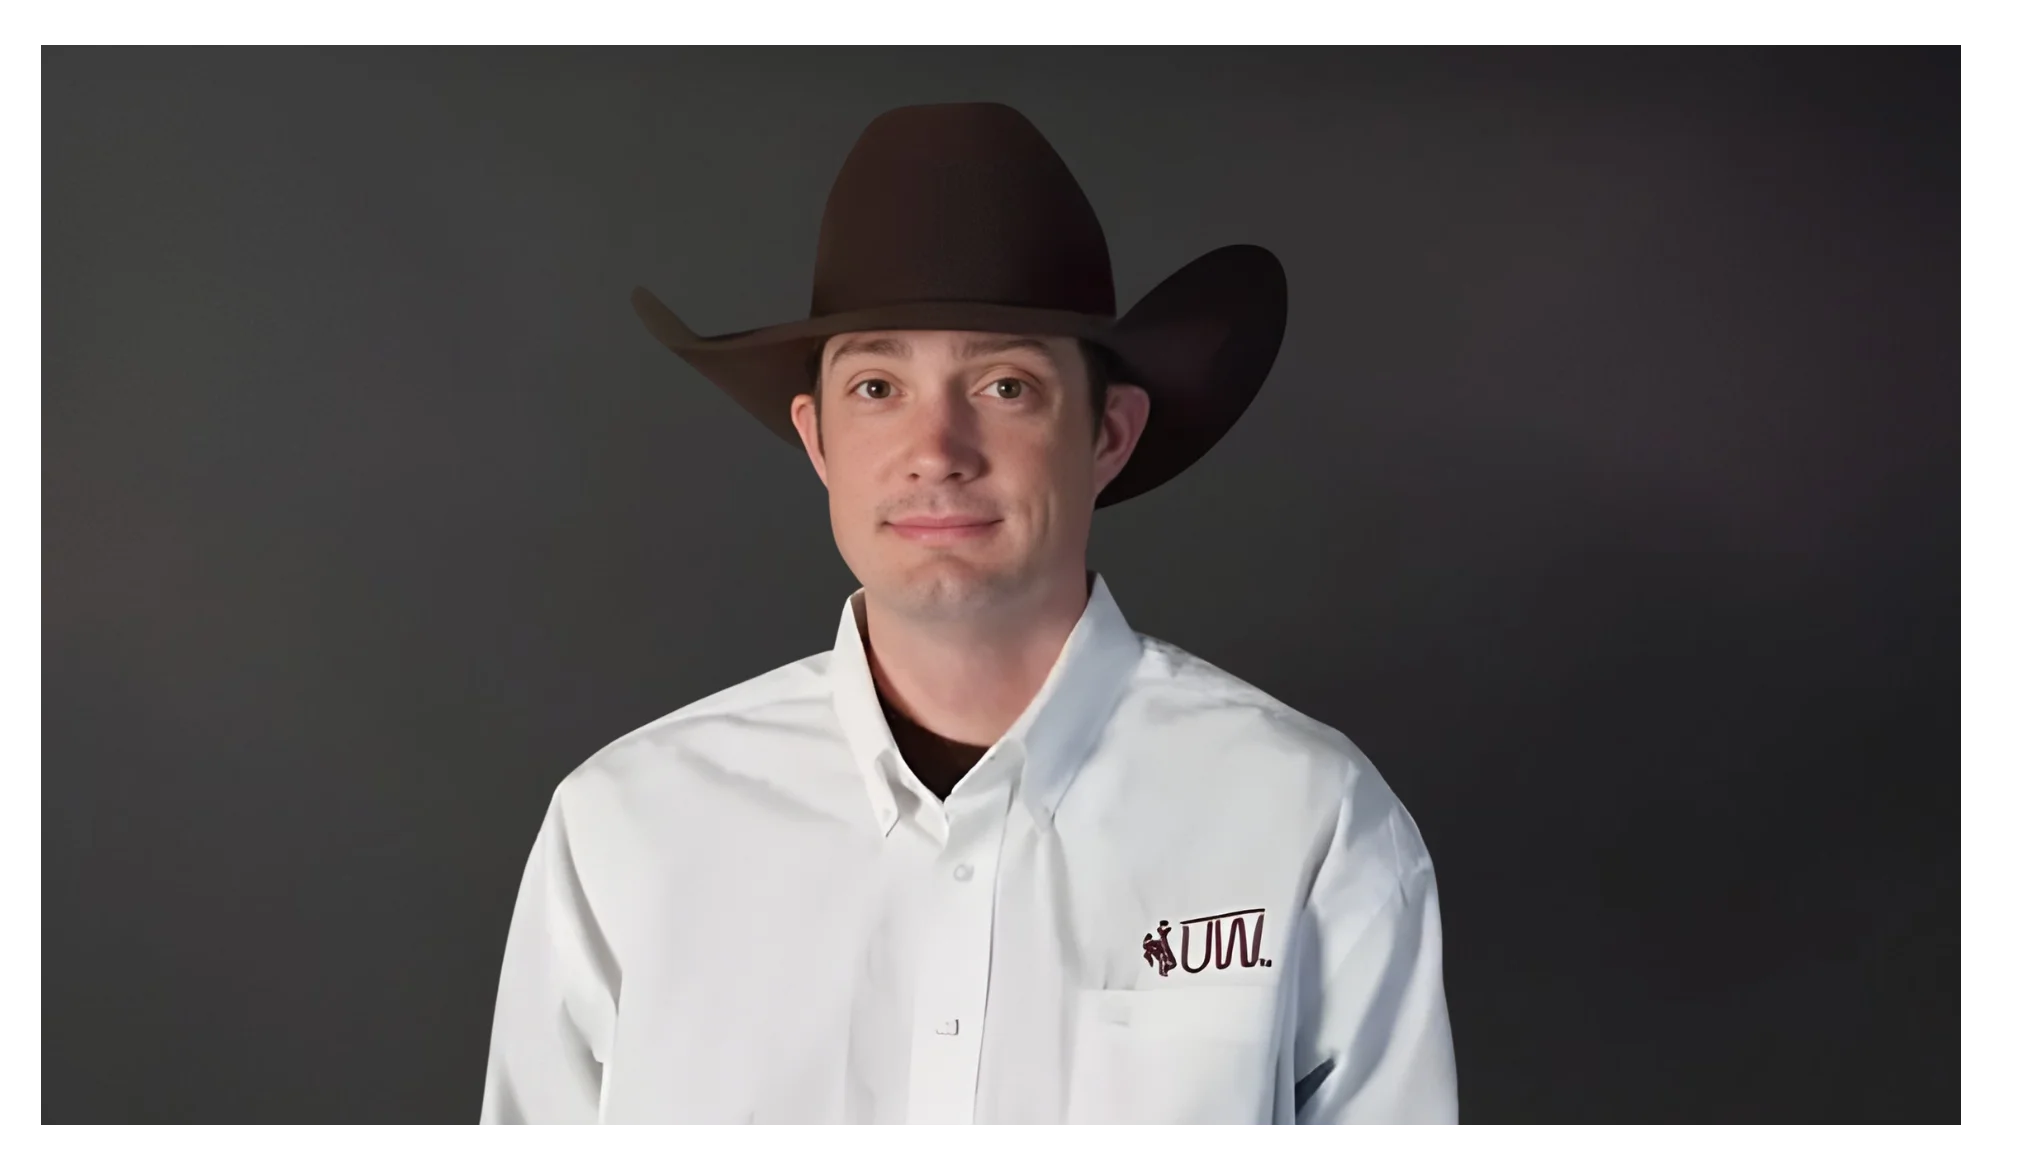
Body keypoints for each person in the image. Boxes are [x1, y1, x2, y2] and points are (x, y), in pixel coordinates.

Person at [478, 101, 1457, 1127]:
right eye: (876, 386)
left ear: (1109, 435)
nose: (936, 449)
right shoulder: (624, 830)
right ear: (817, 440)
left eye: (1004, 385)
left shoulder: (1309, 822)